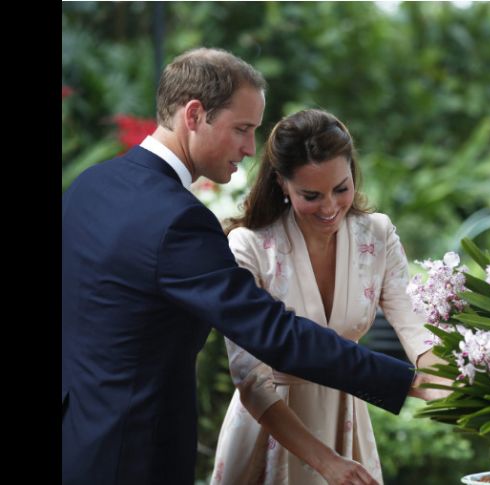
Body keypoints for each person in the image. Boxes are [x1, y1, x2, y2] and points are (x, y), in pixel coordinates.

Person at [62, 47, 446, 485]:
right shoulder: (178, 220)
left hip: (77, 442)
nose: (249, 148)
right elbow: (275, 335)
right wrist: (406, 382)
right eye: (242, 129)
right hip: (135, 457)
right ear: (194, 115)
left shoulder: (89, 186)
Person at [209, 109, 448, 485]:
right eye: (311, 195)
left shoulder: (377, 235)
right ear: (281, 184)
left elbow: (416, 327)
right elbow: (250, 378)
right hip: (272, 427)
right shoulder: (249, 246)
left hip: (346, 422)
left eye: (341, 188)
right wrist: (327, 462)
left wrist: (452, 389)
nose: (330, 207)